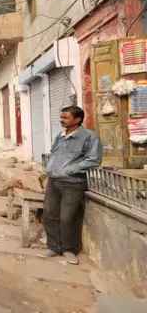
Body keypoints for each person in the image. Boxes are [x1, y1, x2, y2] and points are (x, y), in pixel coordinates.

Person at [40, 106, 102, 264]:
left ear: (77, 119)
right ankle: (53, 247)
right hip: (54, 182)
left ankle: (69, 249)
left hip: (73, 183)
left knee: (67, 218)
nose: (61, 120)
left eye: (65, 117)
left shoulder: (89, 137)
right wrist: (50, 167)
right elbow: (53, 152)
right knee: (48, 215)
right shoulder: (60, 136)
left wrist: (69, 169)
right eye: (61, 117)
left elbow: (93, 159)